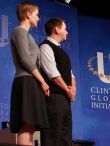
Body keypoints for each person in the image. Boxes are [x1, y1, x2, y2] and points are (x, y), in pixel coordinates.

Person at [10, 1, 50, 145]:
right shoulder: (19, 31)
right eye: (37, 15)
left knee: (31, 128)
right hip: (26, 81)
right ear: (28, 14)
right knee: (26, 126)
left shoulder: (27, 35)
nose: (39, 18)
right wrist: (43, 82)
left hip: (32, 81)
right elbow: (26, 60)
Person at [40, 17, 76, 146]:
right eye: (65, 29)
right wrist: (68, 90)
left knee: (65, 138)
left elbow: (71, 75)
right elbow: (53, 74)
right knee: (52, 136)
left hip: (65, 100)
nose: (67, 32)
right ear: (57, 29)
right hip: (53, 99)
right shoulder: (45, 47)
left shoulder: (63, 53)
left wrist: (73, 90)